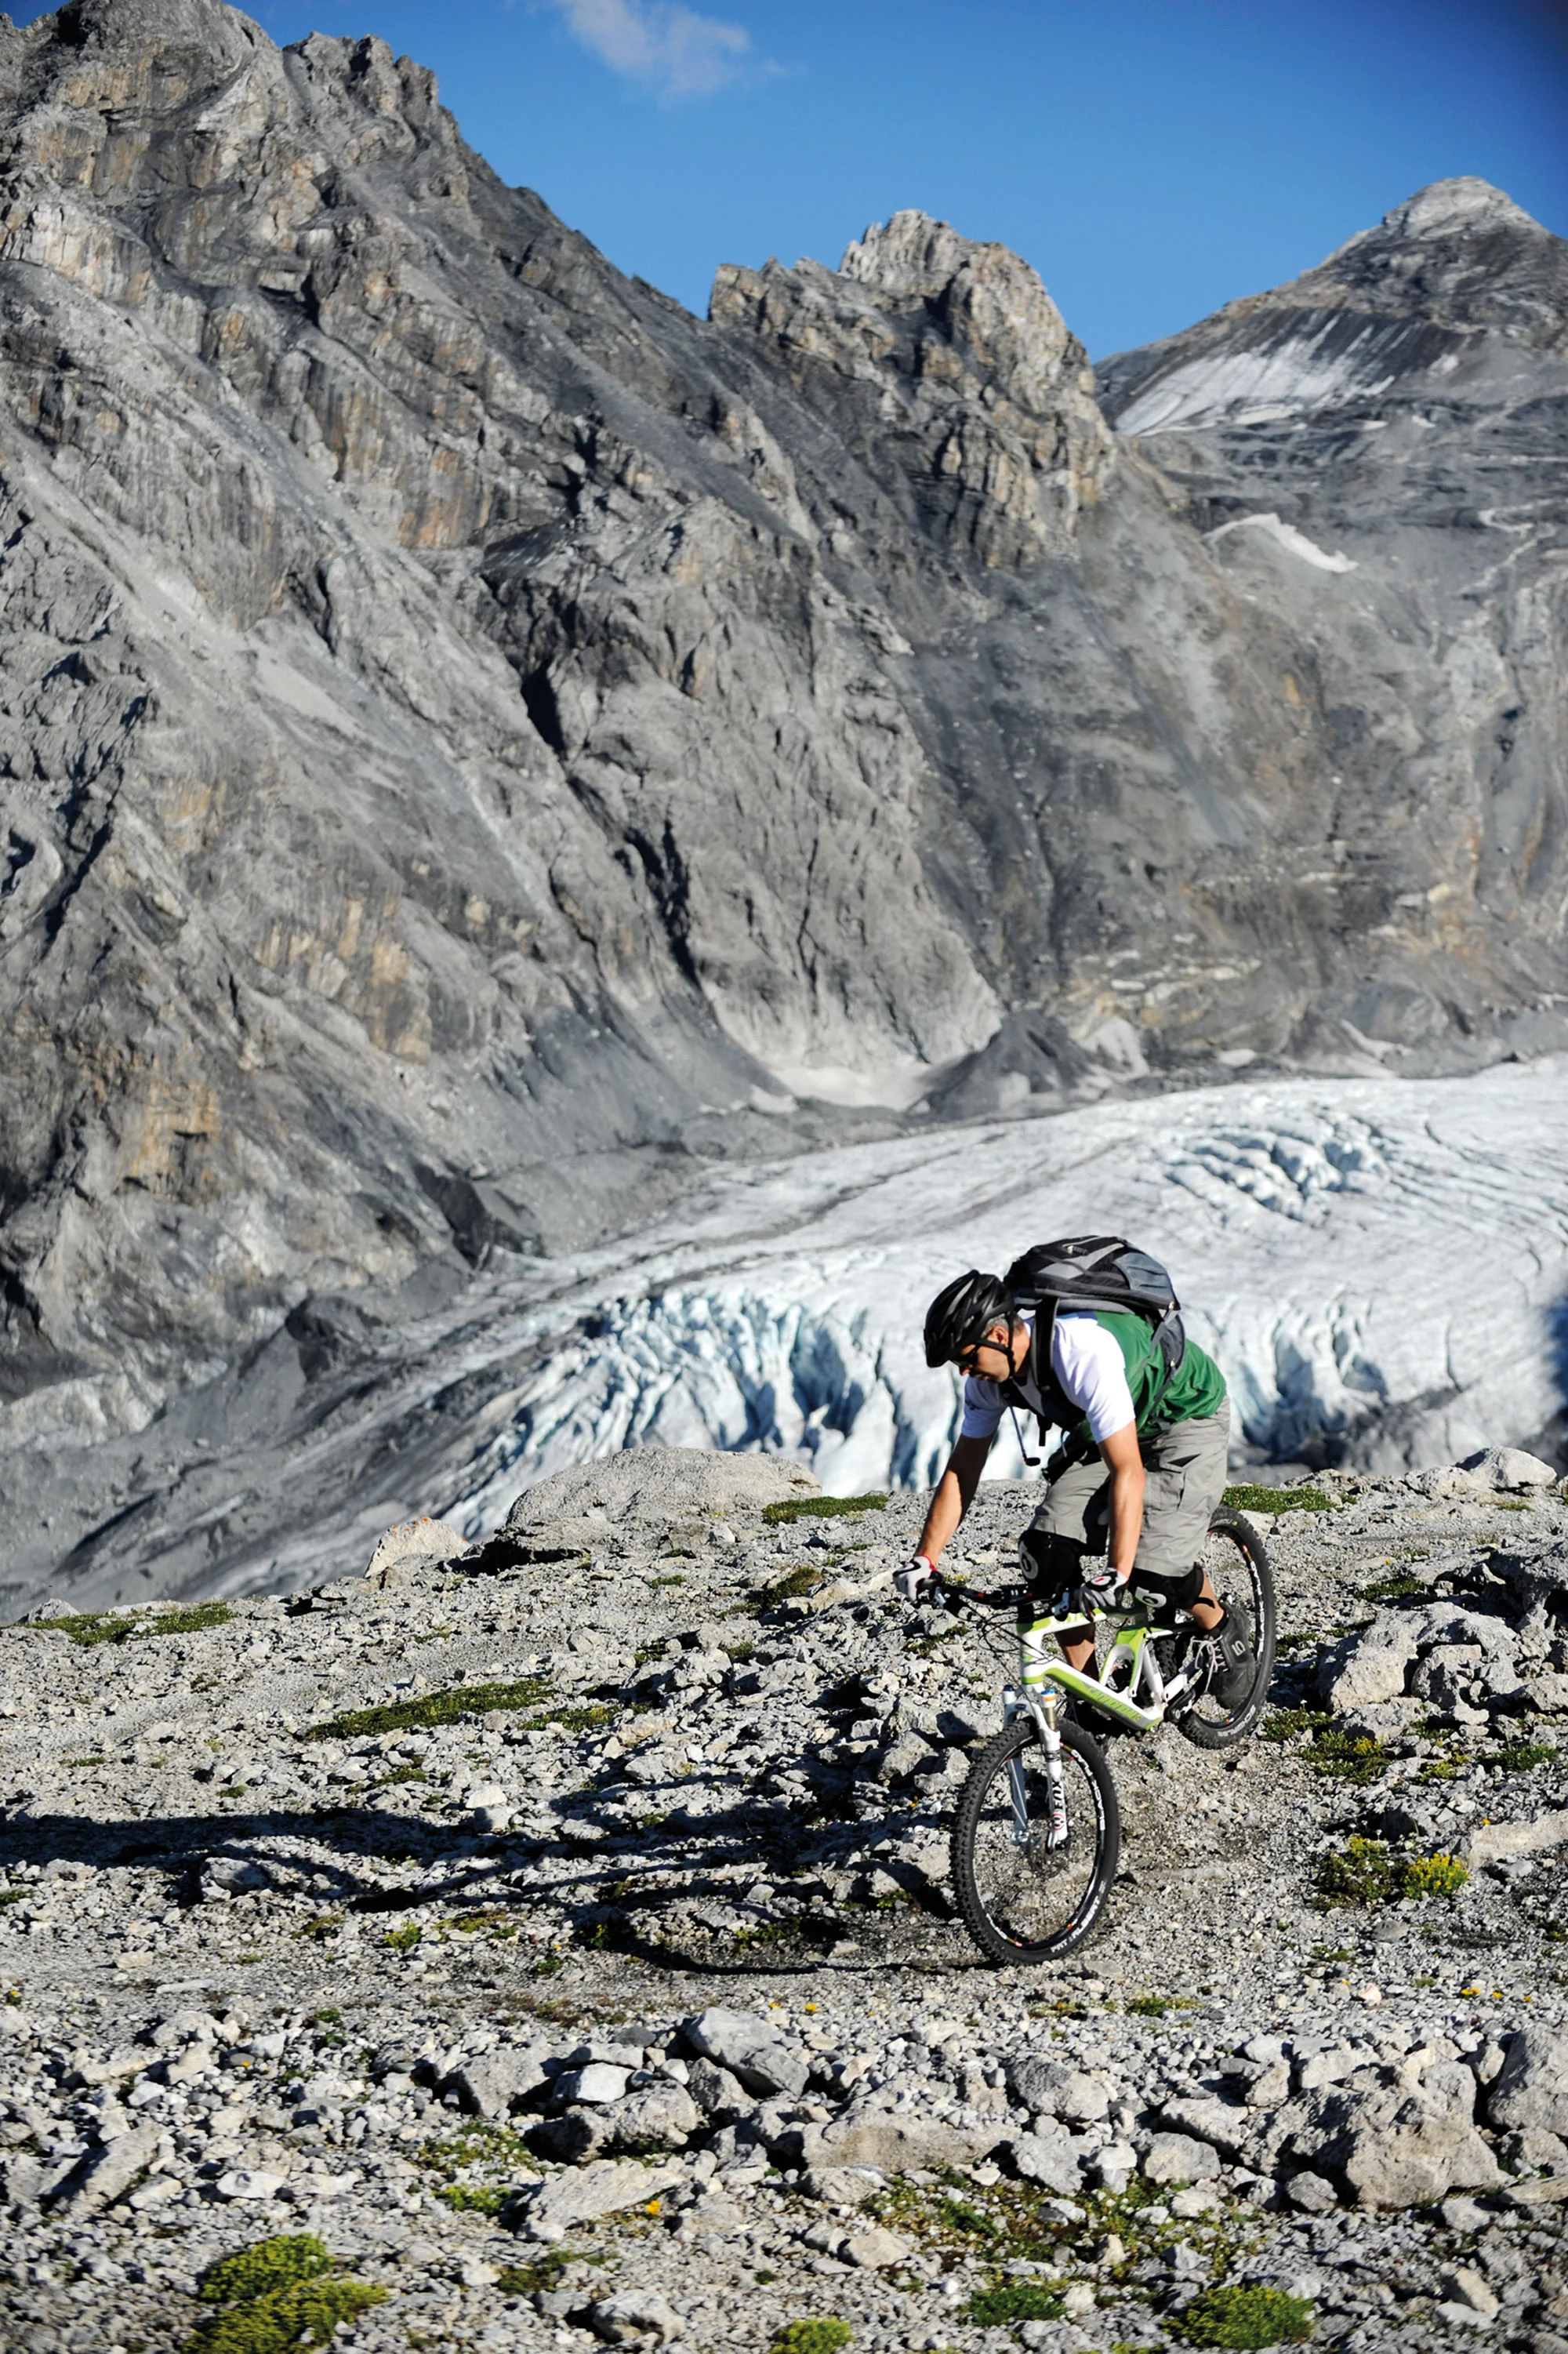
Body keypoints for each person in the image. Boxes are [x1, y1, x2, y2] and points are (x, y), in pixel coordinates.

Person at [898, 1268, 1254, 1705]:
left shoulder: (1080, 1354)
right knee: (1045, 1556)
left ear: (998, 1335)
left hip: (1183, 1416)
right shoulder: (989, 1382)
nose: (964, 1372)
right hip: (1108, 1430)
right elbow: (962, 1471)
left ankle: (1220, 1626)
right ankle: (1093, 1696)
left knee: (1150, 1577)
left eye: (966, 1358)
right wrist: (925, 1560)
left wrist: (1117, 1572)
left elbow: (1128, 1471)